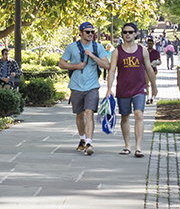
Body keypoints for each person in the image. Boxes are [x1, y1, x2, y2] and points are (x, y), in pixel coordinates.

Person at [62, 21, 112, 154]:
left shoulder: (98, 47)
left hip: (92, 86)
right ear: (80, 33)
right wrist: (76, 66)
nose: (90, 34)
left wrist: (92, 56)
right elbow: (61, 63)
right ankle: (82, 139)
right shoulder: (71, 47)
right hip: (76, 86)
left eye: (92, 32)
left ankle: (89, 143)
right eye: (87, 32)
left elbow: (107, 66)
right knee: (79, 115)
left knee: (89, 113)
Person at [111, 22, 155, 157]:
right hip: (123, 89)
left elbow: (149, 69)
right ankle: (127, 145)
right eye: (125, 32)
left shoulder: (142, 50)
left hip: (139, 88)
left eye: (130, 32)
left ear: (136, 34)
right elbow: (112, 70)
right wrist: (108, 88)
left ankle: (138, 147)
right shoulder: (117, 51)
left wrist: (154, 86)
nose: (127, 34)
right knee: (125, 117)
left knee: (139, 115)